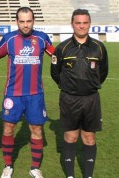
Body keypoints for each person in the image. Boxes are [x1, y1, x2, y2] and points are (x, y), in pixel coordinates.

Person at [0, 6, 55, 178]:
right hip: (13, 93)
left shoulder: (42, 38)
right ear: (16, 22)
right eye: (22, 21)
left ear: (33, 21)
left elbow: (56, 55)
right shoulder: (9, 39)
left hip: (35, 94)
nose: (25, 25)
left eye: (28, 21)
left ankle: (35, 168)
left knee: (36, 129)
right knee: (8, 128)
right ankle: (8, 165)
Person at [51, 9, 108, 178]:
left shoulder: (99, 47)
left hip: (91, 99)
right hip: (69, 99)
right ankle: (70, 176)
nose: (81, 26)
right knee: (70, 136)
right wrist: (69, 87)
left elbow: (103, 72)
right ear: (72, 24)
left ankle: (88, 176)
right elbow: (55, 72)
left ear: (89, 24)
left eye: (85, 23)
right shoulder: (62, 48)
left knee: (89, 138)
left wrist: (90, 85)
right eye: (78, 23)